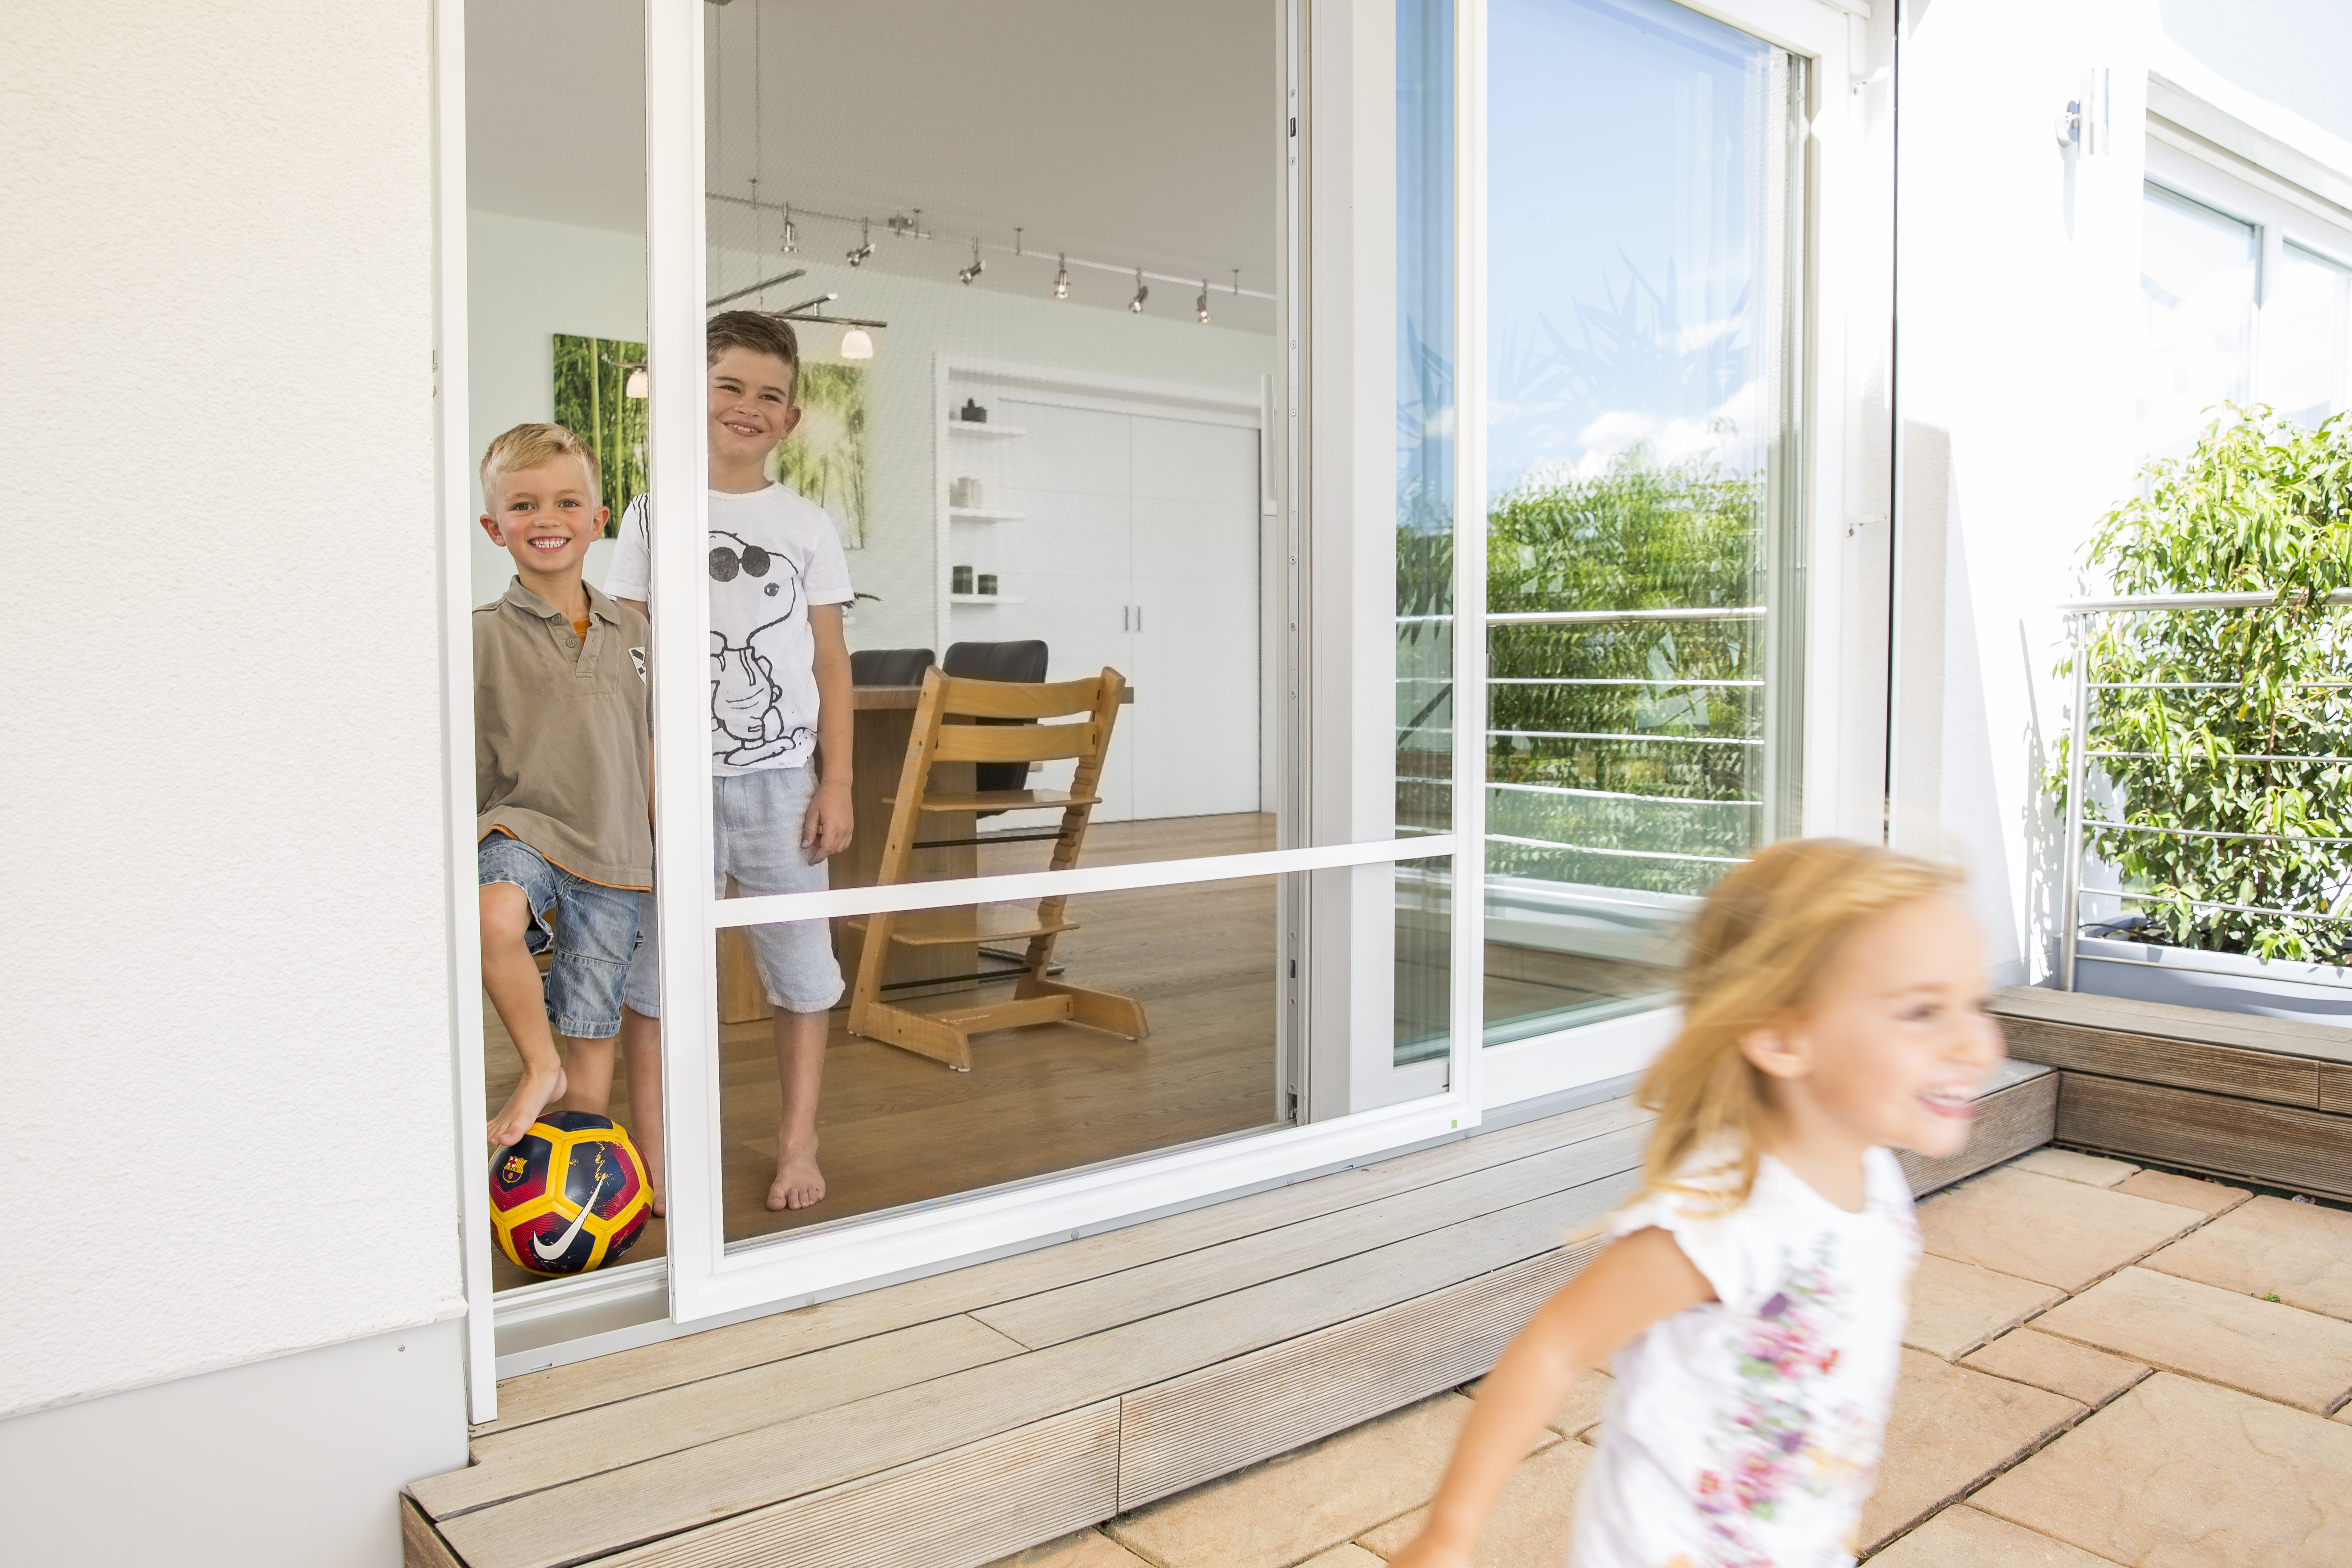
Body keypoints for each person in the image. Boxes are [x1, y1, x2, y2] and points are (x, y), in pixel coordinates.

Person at [1385, 839, 2005, 1568]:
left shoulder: (1876, 1182)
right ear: (1781, 1034)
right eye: (1923, 1010)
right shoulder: (1724, 1216)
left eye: (1977, 1003)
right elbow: (1554, 1348)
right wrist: (1447, 1538)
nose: (1977, 1043)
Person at [607, 310, 856, 1213]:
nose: (749, 407)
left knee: (800, 967)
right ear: (691, 400)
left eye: (770, 395)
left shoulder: (805, 523)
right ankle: (656, 1153)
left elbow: (832, 661)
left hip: (785, 780)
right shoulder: (651, 512)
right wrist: (640, 776)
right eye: (730, 387)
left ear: (790, 419)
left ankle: (799, 1139)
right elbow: (623, 656)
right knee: (658, 972)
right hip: (670, 778)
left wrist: (838, 780)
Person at [473, 423, 654, 1152]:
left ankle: (580, 1201)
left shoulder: (636, 629)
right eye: (523, 505)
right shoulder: (477, 634)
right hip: (524, 829)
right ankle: (536, 1064)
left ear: (597, 521)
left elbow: (646, 746)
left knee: (592, 1030)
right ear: (495, 528)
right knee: (490, 919)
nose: (546, 519)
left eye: (566, 502)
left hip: (615, 854)